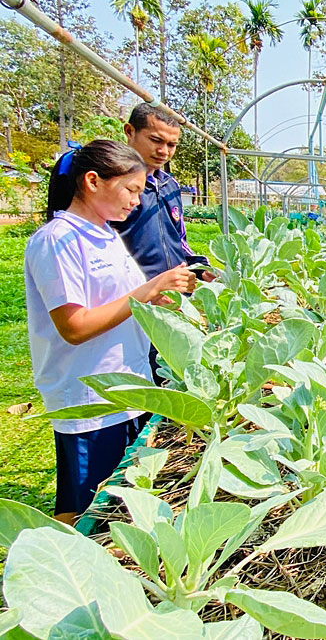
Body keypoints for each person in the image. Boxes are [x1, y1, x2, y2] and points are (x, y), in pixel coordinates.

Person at [25, 140, 196, 523]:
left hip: (126, 386)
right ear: (92, 181)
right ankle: (61, 557)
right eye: (131, 190)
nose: (136, 201)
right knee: (87, 509)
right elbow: (74, 327)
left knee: (112, 502)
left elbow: (119, 303)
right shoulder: (57, 240)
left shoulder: (105, 234)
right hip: (91, 395)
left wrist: (158, 302)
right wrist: (147, 290)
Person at [112, 102, 211, 381]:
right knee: (134, 373)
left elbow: (178, 239)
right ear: (129, 132)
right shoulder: (114, 187)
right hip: (132, 303)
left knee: (168, 372)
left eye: (172, 145)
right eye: (156, 140)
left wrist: (200, 268)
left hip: (172, 300)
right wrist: (147, 290)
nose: (164, 151)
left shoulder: (169, 185)